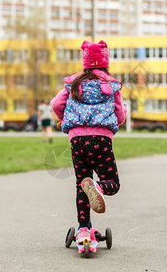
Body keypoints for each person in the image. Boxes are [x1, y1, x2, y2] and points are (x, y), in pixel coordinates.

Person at [50, 40, 127, 247]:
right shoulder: (110, 85)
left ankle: (83, 227)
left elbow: (57, 104)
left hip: (77, 141)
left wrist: (63, 118)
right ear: (105, 63)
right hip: (101, 140)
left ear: (85, 63)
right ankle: (99, 186)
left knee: (81, 184)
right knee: (112, 183)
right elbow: (120, 114)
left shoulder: (74, 83)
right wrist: (114, 123)